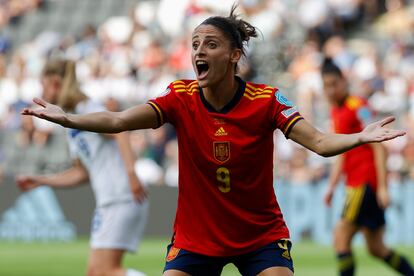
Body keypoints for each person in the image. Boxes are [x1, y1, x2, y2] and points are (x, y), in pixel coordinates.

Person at [21, 7, 405, 276]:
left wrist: (360, 137)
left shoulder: (267, 100)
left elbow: (319, 142)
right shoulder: (180, 96)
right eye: (195, 44)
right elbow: (119, 120)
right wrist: (69, 117)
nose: (199, 51)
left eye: (210, 44)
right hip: (196, 239)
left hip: (259, 236)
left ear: (234, 55)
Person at [16, 59, 149, 276]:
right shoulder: (72, 122)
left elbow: (120, 131)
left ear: (56, 83)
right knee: (96, 273)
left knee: (104, 272)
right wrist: (41, 180)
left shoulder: (88, 108)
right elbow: (81, 172)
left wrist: (131, 174)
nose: (42, 91)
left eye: (44, 84)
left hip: (121, 196)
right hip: (110, 200)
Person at [321, 58, 414, 276]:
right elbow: (342, 153)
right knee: (377, 248)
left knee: (340, 238)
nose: (330, 90)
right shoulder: (337, 111)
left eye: (334, 84)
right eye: (326, 85)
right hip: (358, 183)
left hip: (363, 183)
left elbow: (378, 145)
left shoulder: (358, 106)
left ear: (344, 81)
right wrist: (332, 186)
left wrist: (383, 186)